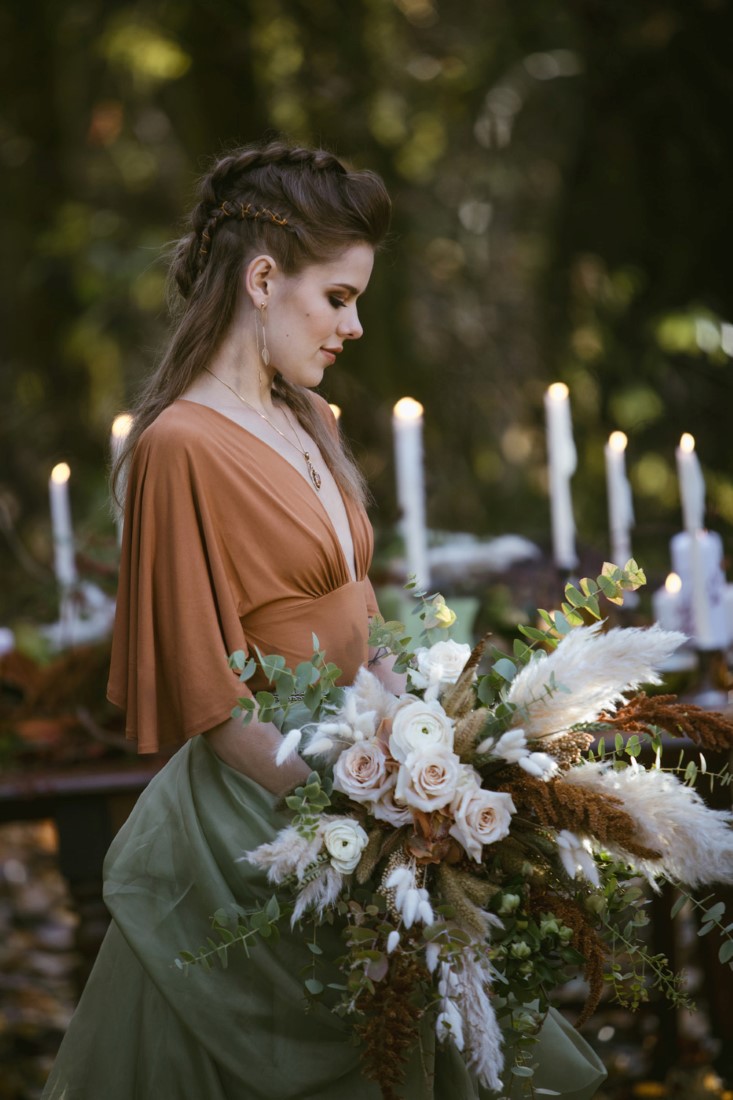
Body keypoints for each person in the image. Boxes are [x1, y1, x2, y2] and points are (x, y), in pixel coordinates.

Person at [42, 141, 605, 1100]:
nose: (352, 325)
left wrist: (435, 749)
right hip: (266, 818)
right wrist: (355, 804)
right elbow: (210, 699)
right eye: (337, 297)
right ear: (263, 279)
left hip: (372, 780)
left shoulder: (312, 419)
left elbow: (359, 623)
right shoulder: (178, 445)